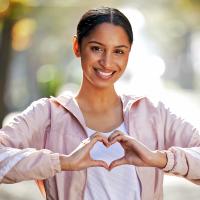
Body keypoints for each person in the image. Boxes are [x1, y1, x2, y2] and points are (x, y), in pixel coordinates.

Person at [0, 6, 200, 200]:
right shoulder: (48, 115)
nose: (107, 62)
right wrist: (62, 162)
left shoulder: (153, 114)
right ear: (77, 47)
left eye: (119, 51)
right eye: (97, 48)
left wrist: (159, 159)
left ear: (129, 53)